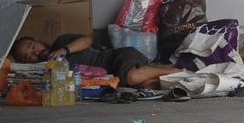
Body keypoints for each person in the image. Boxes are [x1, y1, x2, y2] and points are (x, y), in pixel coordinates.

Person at [11, 34, 184, 89]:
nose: (35, 52)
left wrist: (65, 50)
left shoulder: (62, 41)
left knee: (132, 77)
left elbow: (86, 40)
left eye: (32, 46)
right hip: (112, 81)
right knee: (145, 86)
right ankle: (184, 79)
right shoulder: (48, 71)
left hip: (118, 58)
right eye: (29, 56)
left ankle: (181, 70)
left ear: (38, 41)